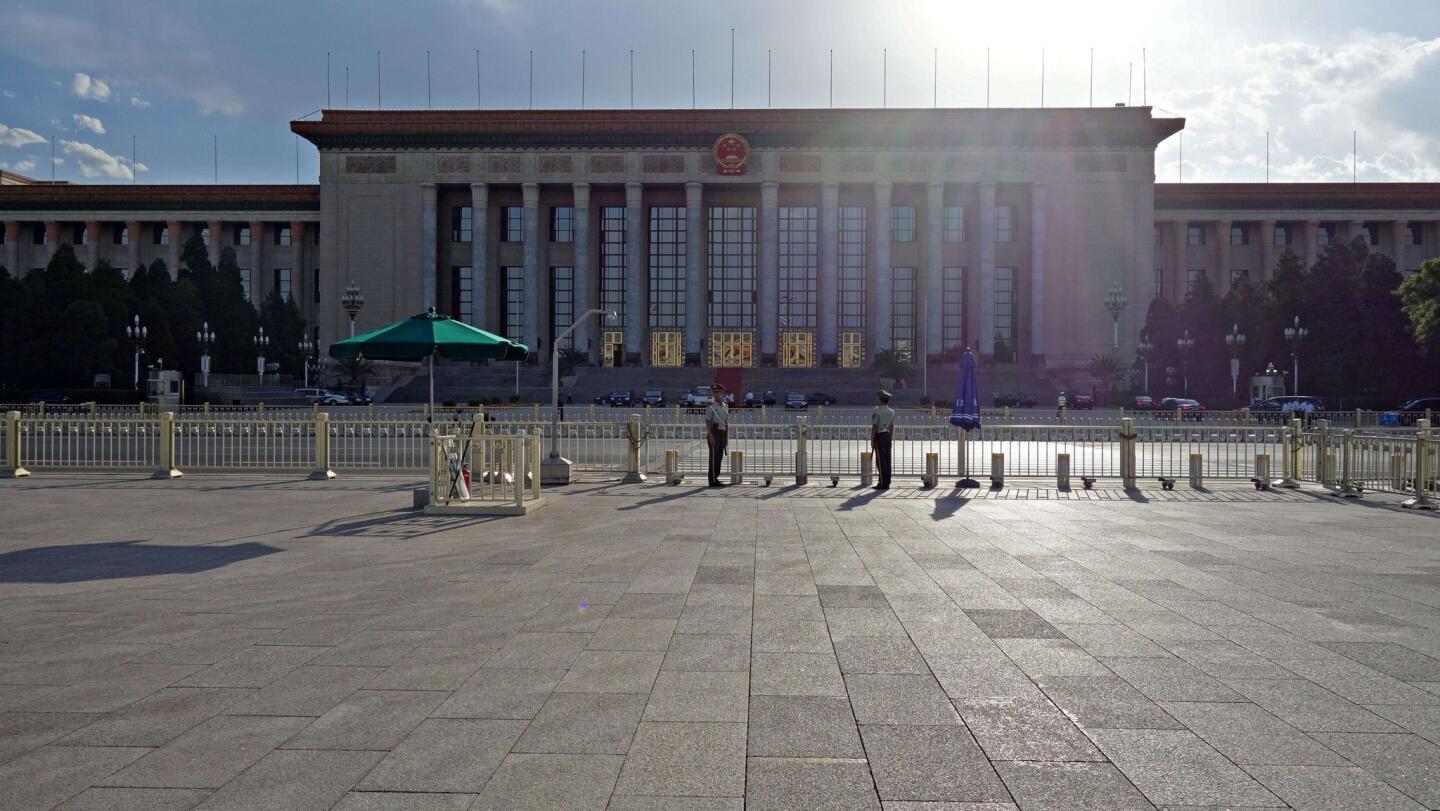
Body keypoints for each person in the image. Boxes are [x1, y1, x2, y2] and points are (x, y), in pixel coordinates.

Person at [706, 384, 730, 487]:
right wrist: (711, 436)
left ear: (722, 393)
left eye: (718, 392)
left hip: (722, 432)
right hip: (714, 432)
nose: (715, 394)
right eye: (714, 392)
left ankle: (716, 478)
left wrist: (726, 437)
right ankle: (712, 480)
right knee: (713, 457)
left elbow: (726, 422)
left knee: (719, 457)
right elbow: (708, 422)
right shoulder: (711, 406)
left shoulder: (725, 406)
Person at [871, 390, 895, 490]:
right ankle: (887, 482)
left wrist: (872, 440)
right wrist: (890, 437)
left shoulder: (877, 412)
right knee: (887, 460)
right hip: (888, 436)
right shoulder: (892, 411)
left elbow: (874, 427)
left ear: (880, 400)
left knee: (880, 461)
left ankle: (882, 483)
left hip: (879, 436)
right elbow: (892, 427)